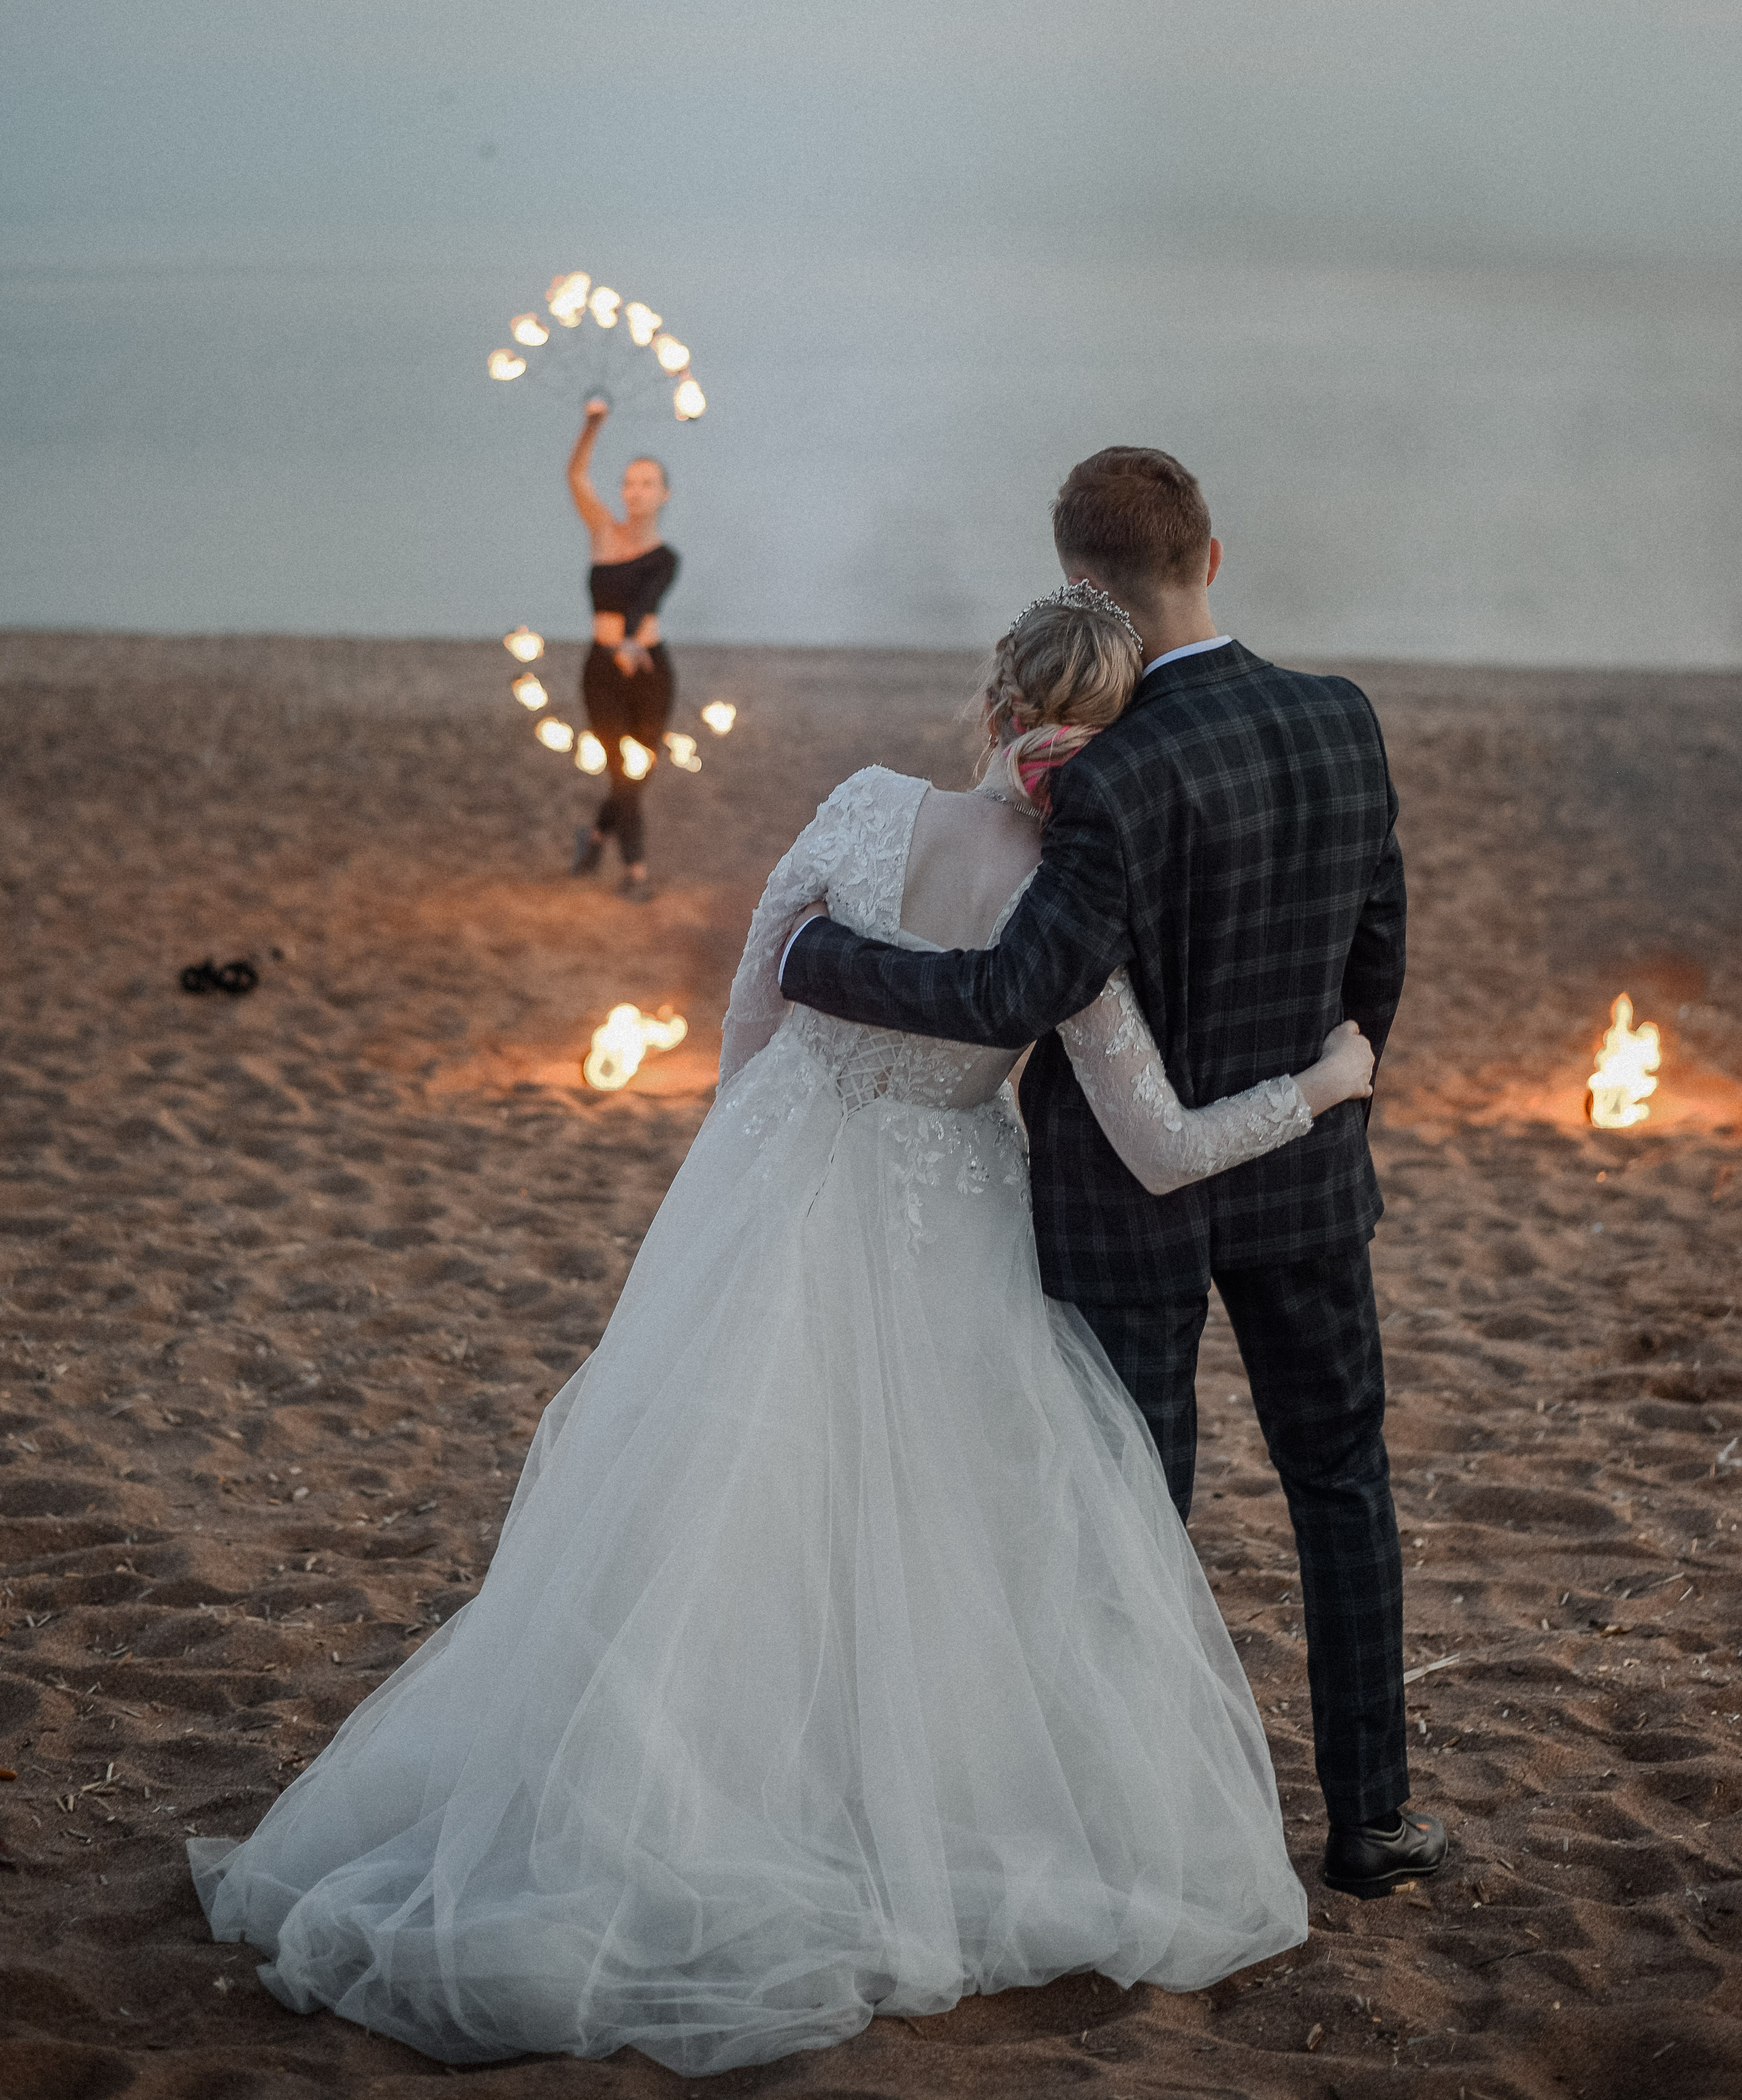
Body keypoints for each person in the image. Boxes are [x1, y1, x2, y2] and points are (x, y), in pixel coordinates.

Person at [188, 589, 1379, 2075]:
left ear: (994, 701)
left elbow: (750, 1007)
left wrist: (739, 1177)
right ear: (1108, 742)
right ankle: (889, 1806)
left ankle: (670, 1789)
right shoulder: (1077, 906)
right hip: (947, 1226)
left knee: (711, 1506)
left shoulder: (863, 805)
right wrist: (1323, 1084)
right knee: (937, 1528)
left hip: (778, 1184)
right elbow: (1161, 1147)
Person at [780, 447, 1445, 1905]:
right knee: (1340, 1480)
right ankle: (1374, 1819)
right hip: (1304, 1183)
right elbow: (1377, 954)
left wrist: (820, 958)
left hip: (1119, 1203)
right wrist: (1330, 1090)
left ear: (1081, 584)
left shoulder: (1110, 771)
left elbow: (1013, 991)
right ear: (1213, 554)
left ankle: (1130, 1831)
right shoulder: (1340, 717)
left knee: (1129, 1513)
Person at [567, 396, 678, 899]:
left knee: (641, 768)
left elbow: (645, 601)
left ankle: (594, 837)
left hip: (651, 671)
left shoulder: (666, 558)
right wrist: (592, 425)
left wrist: (632, 642)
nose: (636, 491)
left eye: (647, 483)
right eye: (630, 483)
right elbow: (576, 476)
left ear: (665, 495)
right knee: (619, 766)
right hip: (603, 671)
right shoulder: (603, 534)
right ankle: (636, 871)